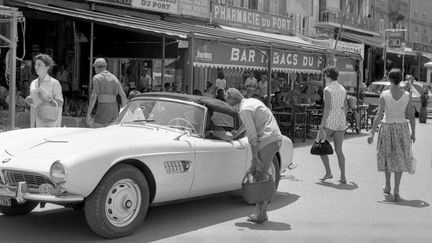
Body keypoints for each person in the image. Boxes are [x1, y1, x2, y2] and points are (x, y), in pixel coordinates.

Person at [225, 88, 282, 224]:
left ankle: (262, 213)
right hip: (274, 138)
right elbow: (249, 124)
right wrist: (238, 133)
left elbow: (252, 135)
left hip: (267, 140)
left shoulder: (243, 110)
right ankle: (261, 212)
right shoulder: (251, 102)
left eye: (227, 101)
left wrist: (255, 156)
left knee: (257, 175)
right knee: (256, 174)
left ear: (231, 101)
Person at [367, 68, 416, 202]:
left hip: (387, 127)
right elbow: (411, 116)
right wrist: (414, 133)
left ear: (389, 79)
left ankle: (387, 185)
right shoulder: (407, 95)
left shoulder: (384, 94)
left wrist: (371, 133)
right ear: (400, 79)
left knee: (387, 156)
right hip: (402, 128)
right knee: (399, 158)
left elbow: (379, 114)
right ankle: (397, 189)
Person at [318, 66, 347, 184]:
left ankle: (328, 172)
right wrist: (343, 117)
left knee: (320, 145)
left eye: (325, 75)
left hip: (330, 120)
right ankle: (343, 176)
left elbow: (327, 108)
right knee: (339, 150)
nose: (324, 77)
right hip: (341, 119)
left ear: (328, 76)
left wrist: (321, 124)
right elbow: (345, 106)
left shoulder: (327, 89)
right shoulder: (342, 88)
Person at [86, 58, 127, 128]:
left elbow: (94, 97)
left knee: (96, 132)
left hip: (103, 108)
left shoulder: (96, 78)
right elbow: (123, 96)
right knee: (110, 133)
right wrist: (123, 113)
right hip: (114, 109)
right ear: (105, 67)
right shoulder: (114, 78)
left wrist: (88, 114)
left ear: (96, 67)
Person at [24, 54, 63, 127]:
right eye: (35, 64)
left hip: (51, 123)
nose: (36, 67)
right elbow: (34, 102)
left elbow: (60, 102)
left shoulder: (55, 83)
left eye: (39, 65)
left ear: (47, 67)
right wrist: (29, 100)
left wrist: (47, 100)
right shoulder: (33, 83)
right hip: (36, 122)